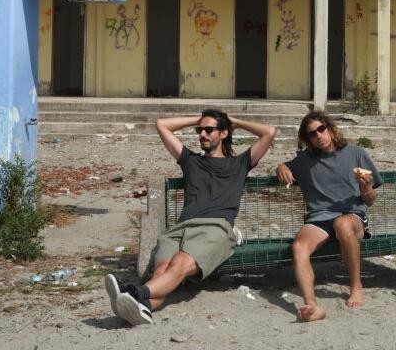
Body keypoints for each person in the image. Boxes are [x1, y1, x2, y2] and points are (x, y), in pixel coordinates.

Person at [104, 109, 277, 326]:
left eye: (209, 130)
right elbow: (161, 125)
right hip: (181, 229)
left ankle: (134, 293)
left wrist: (235, 122)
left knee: (179, 263)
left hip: (215, 228)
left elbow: (269, 132)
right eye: (199, 130)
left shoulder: (240, 164)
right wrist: (201, 118)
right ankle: (143, 308)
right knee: (161, 272)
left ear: (224, 133)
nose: (202, 134)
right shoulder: (190, 161)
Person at [275, 111, 382, 322]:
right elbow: (285, 166)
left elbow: (370, 200)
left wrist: (367, 188)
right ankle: (312, 305)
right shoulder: (305, 160)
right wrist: (281, 167)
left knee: (342, 224)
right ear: (308, 139)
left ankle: (355, 286)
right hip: (319, 218)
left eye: (321, 129)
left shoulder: (356, 153)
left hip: (351, 216)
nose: (319, 136)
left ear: (330, 128)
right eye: (312, 134)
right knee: (299, 247)